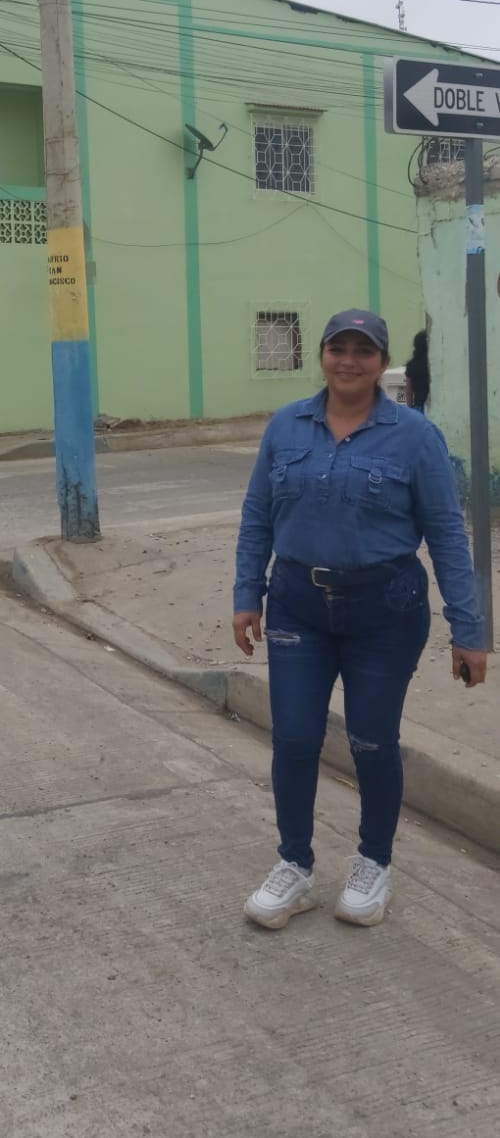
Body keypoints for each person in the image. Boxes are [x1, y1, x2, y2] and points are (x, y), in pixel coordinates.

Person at [233, 308, 486, 930]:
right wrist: (247, 594)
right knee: (294, 738)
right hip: (297, 604)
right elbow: (258, 515)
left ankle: (374, 863)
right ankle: (295, 866)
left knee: (372, 740)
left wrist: (469, 630)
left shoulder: (415, 437)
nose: (349, 361)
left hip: (385, 612)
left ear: (382, 362)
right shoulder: (286, 426)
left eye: (363, 351)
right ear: (322, 355)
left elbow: (447, 536)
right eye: (338, 348)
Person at [405, 329, 430, 412]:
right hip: (432, 405)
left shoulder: (412, 365)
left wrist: (410, 409)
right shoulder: (432, 365)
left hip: (418, 406)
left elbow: (409, 392)